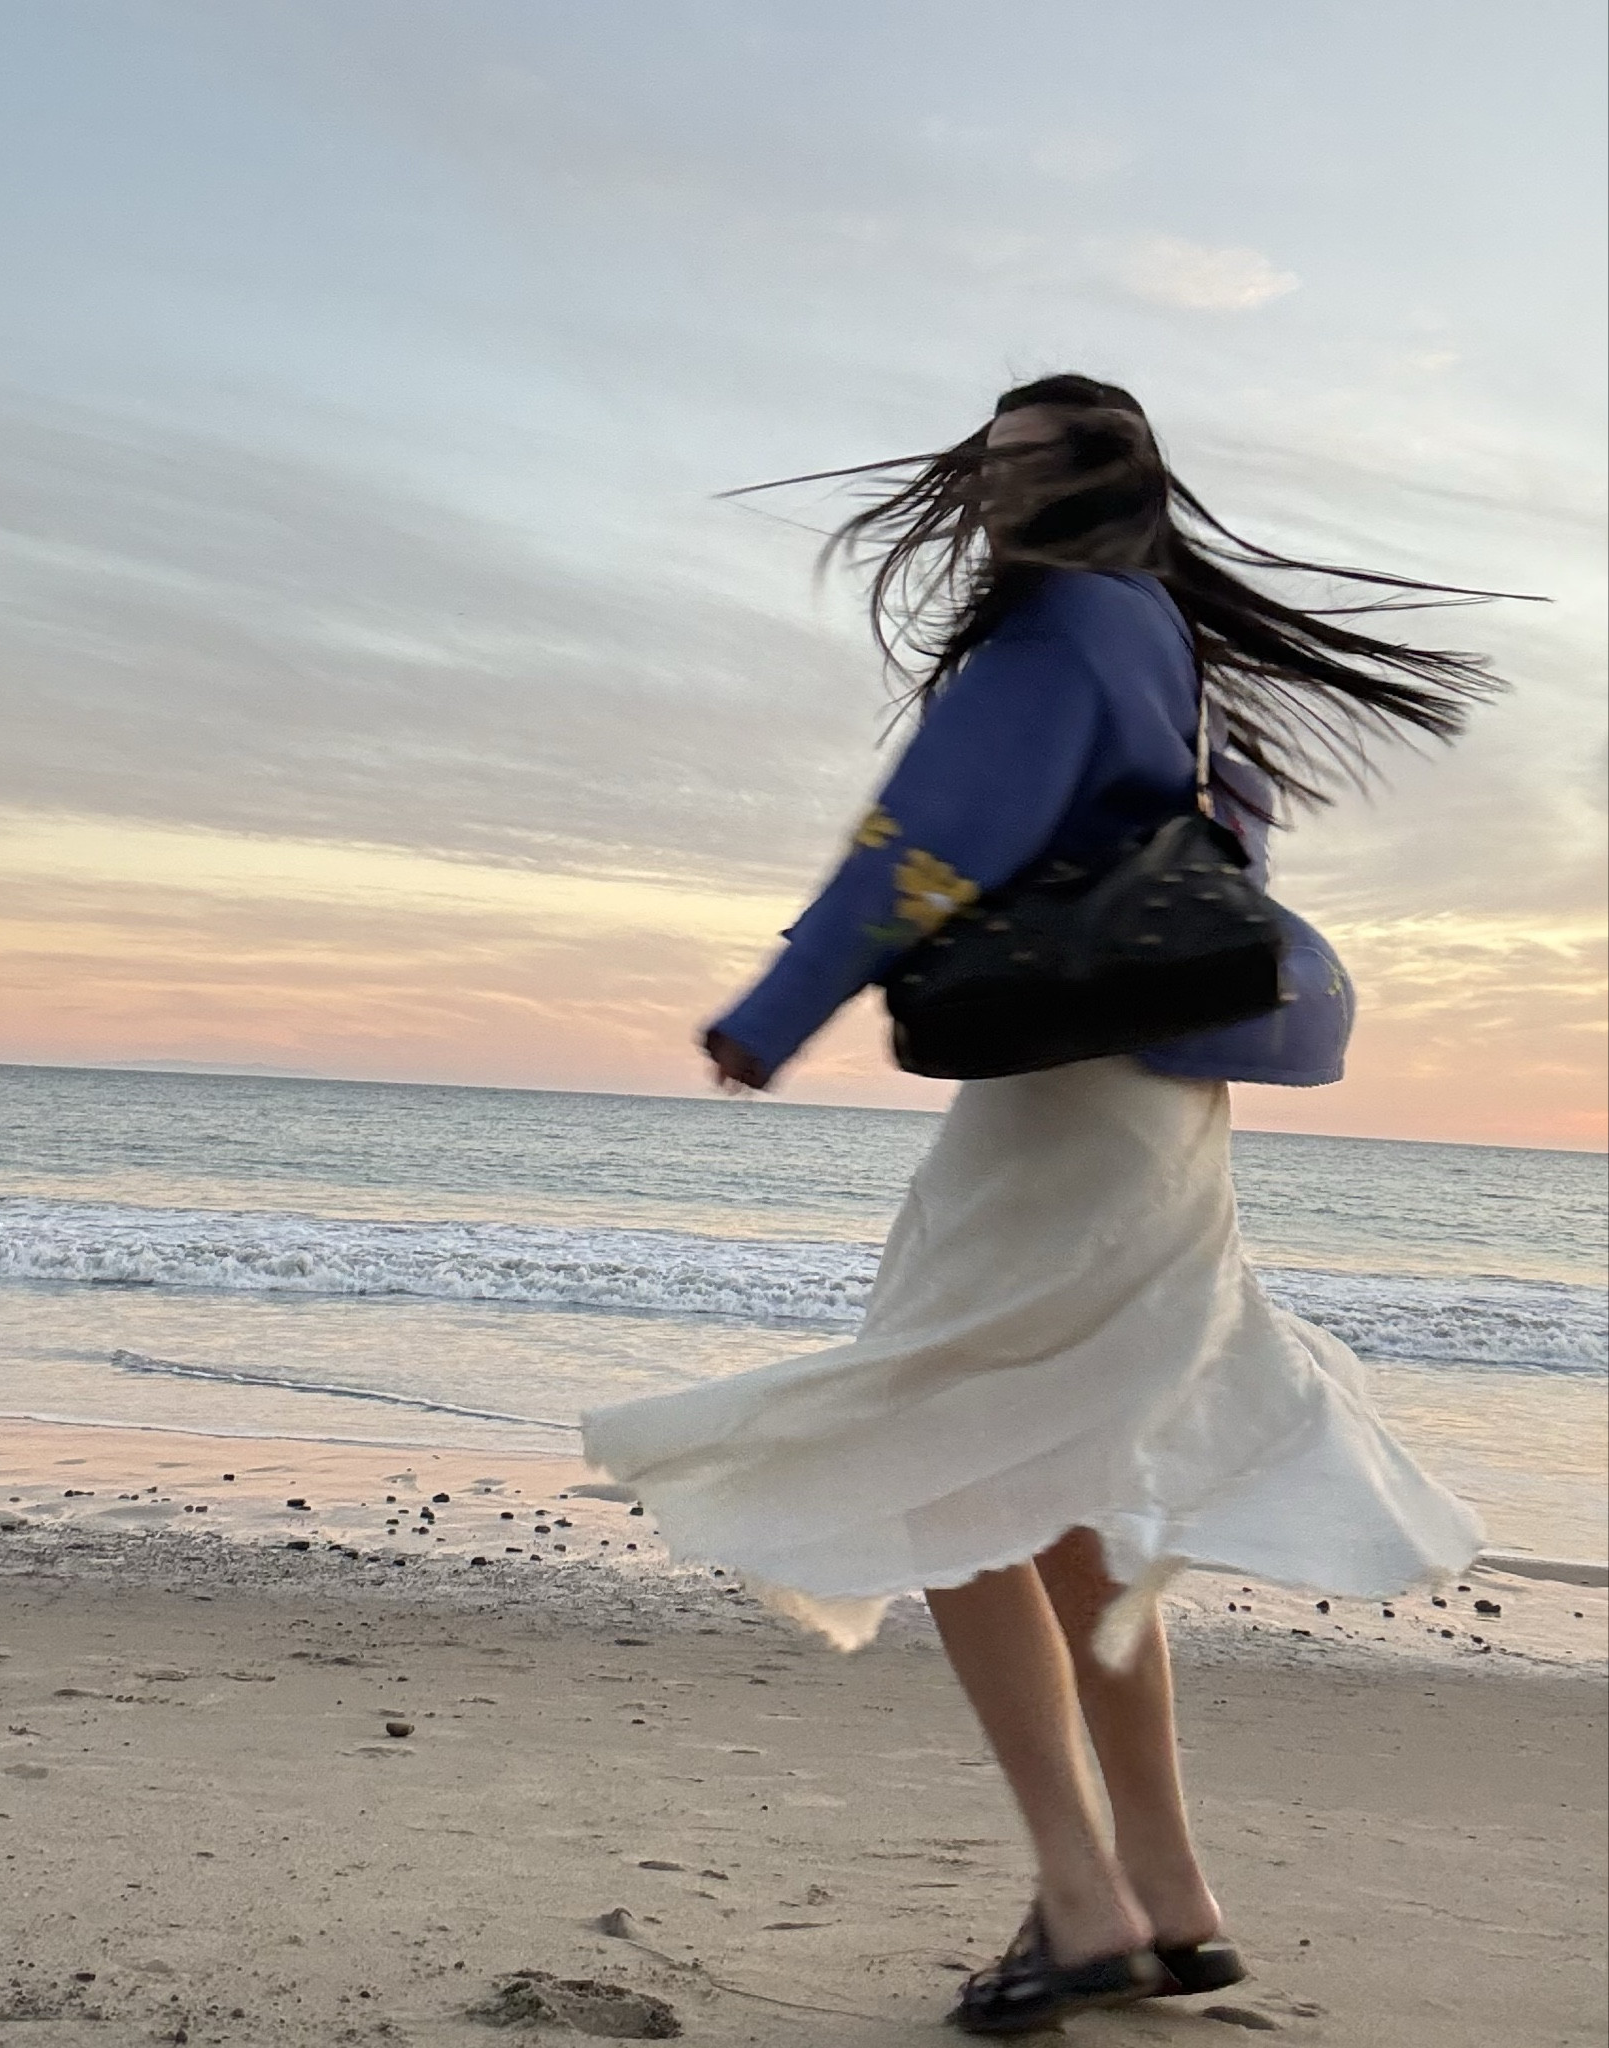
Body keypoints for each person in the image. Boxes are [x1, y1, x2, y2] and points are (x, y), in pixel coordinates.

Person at [583, 374, 1505, 2034]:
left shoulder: (1061, 640)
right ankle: (1166, 1891)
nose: (1002, 488)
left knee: (943, 1463)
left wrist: (779, 1010)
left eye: (1032, 462)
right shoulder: (1181, 663)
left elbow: (929, 840)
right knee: (1071, 1493)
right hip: (1162, 1102)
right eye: (992, 459)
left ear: (1102, 484)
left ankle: (1082, 1903)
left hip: (1067, 1102)